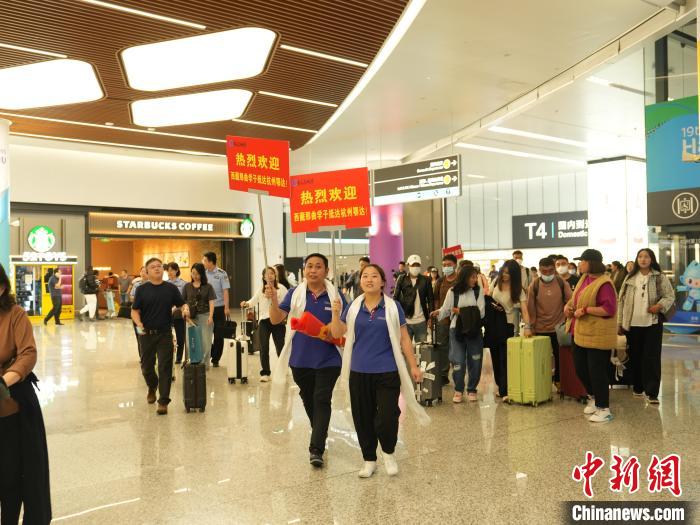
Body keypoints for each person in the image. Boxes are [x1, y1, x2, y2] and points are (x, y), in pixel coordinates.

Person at [330, 264, 426, 478]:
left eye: (374, 276)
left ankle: (389, 453)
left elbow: (404, 339)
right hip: (359, 371)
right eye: (365, 276)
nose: (369, 279)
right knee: (362, 417)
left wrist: (413, 365)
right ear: (360, 281)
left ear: (382, 282)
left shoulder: (392, 307)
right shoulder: (353, 307)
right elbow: (337, 333)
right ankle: (369, 460)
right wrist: (335, 314)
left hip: (387, 371)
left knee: (387, 416)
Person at [269, 253, 347, 468]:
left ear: (326, 271)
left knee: (322, 398)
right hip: (300, 358)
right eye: (309, 266)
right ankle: (320, 432)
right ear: (304, 270)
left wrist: (336, 316)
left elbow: (342, 330)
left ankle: (316, 448)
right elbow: (276, 319)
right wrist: (273, 300)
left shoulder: (336, 296)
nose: (313, 270)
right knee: (308, 398)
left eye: (318, 266)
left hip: (329, 358)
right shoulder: (295, 294)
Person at [0, 263, 52, 524]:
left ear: (2, 288)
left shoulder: (15, 314)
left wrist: (3, 382)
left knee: (10, 476)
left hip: (9, 403)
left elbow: (27, 354)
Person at [564, 249, 618, 423]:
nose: (579, 264)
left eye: (582, 261)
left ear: (591, 263)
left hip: (597, 334)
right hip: (580, 332)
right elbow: (576, 299)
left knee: (597, 371)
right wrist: (568, 307)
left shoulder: (604, 283)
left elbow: (609, 309)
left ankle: (604, 408)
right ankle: (593, 398)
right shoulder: (584, 278)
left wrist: (586, 310)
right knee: (581, 368)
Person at [132, 258, 190, 415]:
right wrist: (139, 324)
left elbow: (182, 304)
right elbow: (134, 311)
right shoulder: (141, 289)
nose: (157, 268)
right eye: (153, 267)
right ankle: (152, 386)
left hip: (165, 333)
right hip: (146, 334)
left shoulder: (170, 288)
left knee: (165, 367)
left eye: (159, 266)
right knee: (146, 367)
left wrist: (185, 309)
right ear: (147, 271)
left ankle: (163, 401)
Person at [617, 248, 675, 404]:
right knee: (635, 356)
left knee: (652, 358)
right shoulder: (630, 277)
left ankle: (652, 392)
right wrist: (619, 323)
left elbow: (670, 296)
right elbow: (621, 301)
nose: (643, 259)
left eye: (646, 257)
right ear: (637, 259)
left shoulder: (658, 276)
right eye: (640, 256)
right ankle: (638, 387)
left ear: (652, 259)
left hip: (652, 323)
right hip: (632, 324)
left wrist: (659, 306)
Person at [432, 266, 485, 403]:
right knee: (458, 361)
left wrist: (460, 311)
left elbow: (481, 313)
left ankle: (472, 389)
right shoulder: (453, 291)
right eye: (472, 277)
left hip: (474, 331)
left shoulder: (478, 291)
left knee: (475, 361)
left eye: (476, 277)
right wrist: (438, 313)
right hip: (456, 330)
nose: (475, 279)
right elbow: (446, 309)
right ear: (465, 277)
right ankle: (459, 389)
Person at [524, 257, 572, 388]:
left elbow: (571, 301)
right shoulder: (534, 285)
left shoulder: (561, 283)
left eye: (550, 271)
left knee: (559, 357)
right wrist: (530, 327)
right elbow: (530, 308)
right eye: (544, 271)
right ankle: (543, 384)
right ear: (539, 270)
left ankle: (559, 381)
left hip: (558, 328)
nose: (547, 274)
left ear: (554, 269)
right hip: (540, 329)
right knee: (541, 359)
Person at [488, 259, 529, 401]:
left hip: (508, 326)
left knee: (505, 358)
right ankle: (501, 386)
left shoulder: (518, 290)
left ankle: (505, 390)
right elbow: (488, 298)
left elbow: (524, 310)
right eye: (503, 272)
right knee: (495, 358)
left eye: (508, 273)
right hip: (493, 325)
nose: (504, 275)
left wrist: (528, 327)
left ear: (514, 275)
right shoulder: (495, 282)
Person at [242, 267, 288, 381]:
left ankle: (283, 369)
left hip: (278, 320)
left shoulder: (281, 288)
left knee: (280, 346)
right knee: (264, 347)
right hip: (264, 320)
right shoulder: (261, 289)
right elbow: (253, 301)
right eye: (267, 274)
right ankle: (265, 373)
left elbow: (287, 303)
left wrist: (275, 296)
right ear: (263, 277)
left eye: (272, 273)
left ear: (275, 276)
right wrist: (246, 304)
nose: (270, 276)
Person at [393, 254, 433, 343]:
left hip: (421, 321)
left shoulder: (426, 280)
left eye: (417, 265)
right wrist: (397, 316)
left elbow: (430, 299)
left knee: (422, 349)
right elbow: (395, 298)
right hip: (405, 321)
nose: (415, 267)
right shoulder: (401, 278)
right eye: (413, 265)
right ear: (408, 265)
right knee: (404, 348)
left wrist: (430, 317)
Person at [433, 254, 459, 388]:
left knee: (456, 347)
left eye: (449, 265)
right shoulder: (440, 281)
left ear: (455, 265)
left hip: (457, 319)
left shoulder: (461, 281)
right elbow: (436, 299)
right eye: (444, 265)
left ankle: (458, 374)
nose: (446, 267)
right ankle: (443, 375)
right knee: (442, 347)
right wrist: (437, 314)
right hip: (442, 319)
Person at [182, 263, 216, 367]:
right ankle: (192, 363)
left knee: (205, 342)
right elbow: (183, 302)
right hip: (190, 318)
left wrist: (210, 316)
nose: (195, 276)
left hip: (205, 316)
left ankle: (204, 365)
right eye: (193, 273)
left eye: (197, 274)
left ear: (202, 274)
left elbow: (211, 302)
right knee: (190, 342)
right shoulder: (187, 286)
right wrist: (185, 310)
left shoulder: (208, 287)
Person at [202, 252, 230, 367]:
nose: (203, 262)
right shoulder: (203, 274)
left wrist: (226, 307)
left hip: (219, 308)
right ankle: (209, 354)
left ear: (210, 261)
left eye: (204, 260)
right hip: (207, 309)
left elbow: (225, 291)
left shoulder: (222, 274)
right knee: (206, 335)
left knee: (218, 335)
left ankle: (216, 359)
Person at [167, 263, 188, 364]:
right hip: (166, 313)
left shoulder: (183, 283)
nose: (169, 272)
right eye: (168, 270)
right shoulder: (165, 283)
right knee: (167, 336)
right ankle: (168, 356)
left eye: (172, 270)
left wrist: (175, 308)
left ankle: (179, 358)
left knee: (180, 336)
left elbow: (183, 300)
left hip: (178, 313)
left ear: (177, 270)